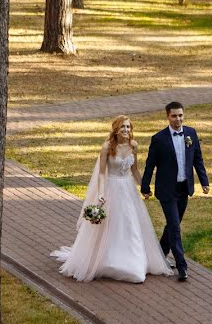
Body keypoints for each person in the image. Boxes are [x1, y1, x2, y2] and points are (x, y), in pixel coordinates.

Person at [51, 116, 173, 283]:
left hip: (128, 189)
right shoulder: (107, 147)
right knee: (111, 224)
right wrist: (101, 193)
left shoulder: (133, 145)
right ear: (116, 128)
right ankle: (108, 261)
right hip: (111, 188)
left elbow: (135, 170)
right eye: (123, 127)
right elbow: (101, 173)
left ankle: (134, 263)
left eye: (129, 127)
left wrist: (144, 187)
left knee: (131, 223)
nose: (126, 130)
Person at [140, 102, 210, 282]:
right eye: (174, 116)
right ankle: (181, 266)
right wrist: (145, 187)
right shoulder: (159, 139)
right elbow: (150, 165)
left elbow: (197, 159)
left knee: (172, 225)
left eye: (180, 115)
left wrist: (204, 182)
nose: (178, 119)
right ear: (167, 117)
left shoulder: (191, 133)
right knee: (175, 227)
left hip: (184, 188)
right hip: (166, 190)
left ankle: (160, 255)